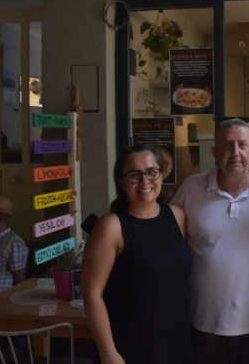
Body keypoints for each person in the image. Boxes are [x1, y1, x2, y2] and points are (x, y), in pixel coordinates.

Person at [171, 118, 249, 364]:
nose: (235, 152)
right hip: (203, 319)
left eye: (242, 145)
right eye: (227, 145)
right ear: (214, 151)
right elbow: (166, 235)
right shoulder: (191, 189)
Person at [81, 144, 192, 364]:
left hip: (177, 341)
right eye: (134, 175)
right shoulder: (111, 226)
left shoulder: (177, 216)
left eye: (151, 172)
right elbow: (91, 293)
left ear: (160, 175)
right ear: (121, 182)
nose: (145, 181)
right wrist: (108, 353)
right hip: (132, 344)